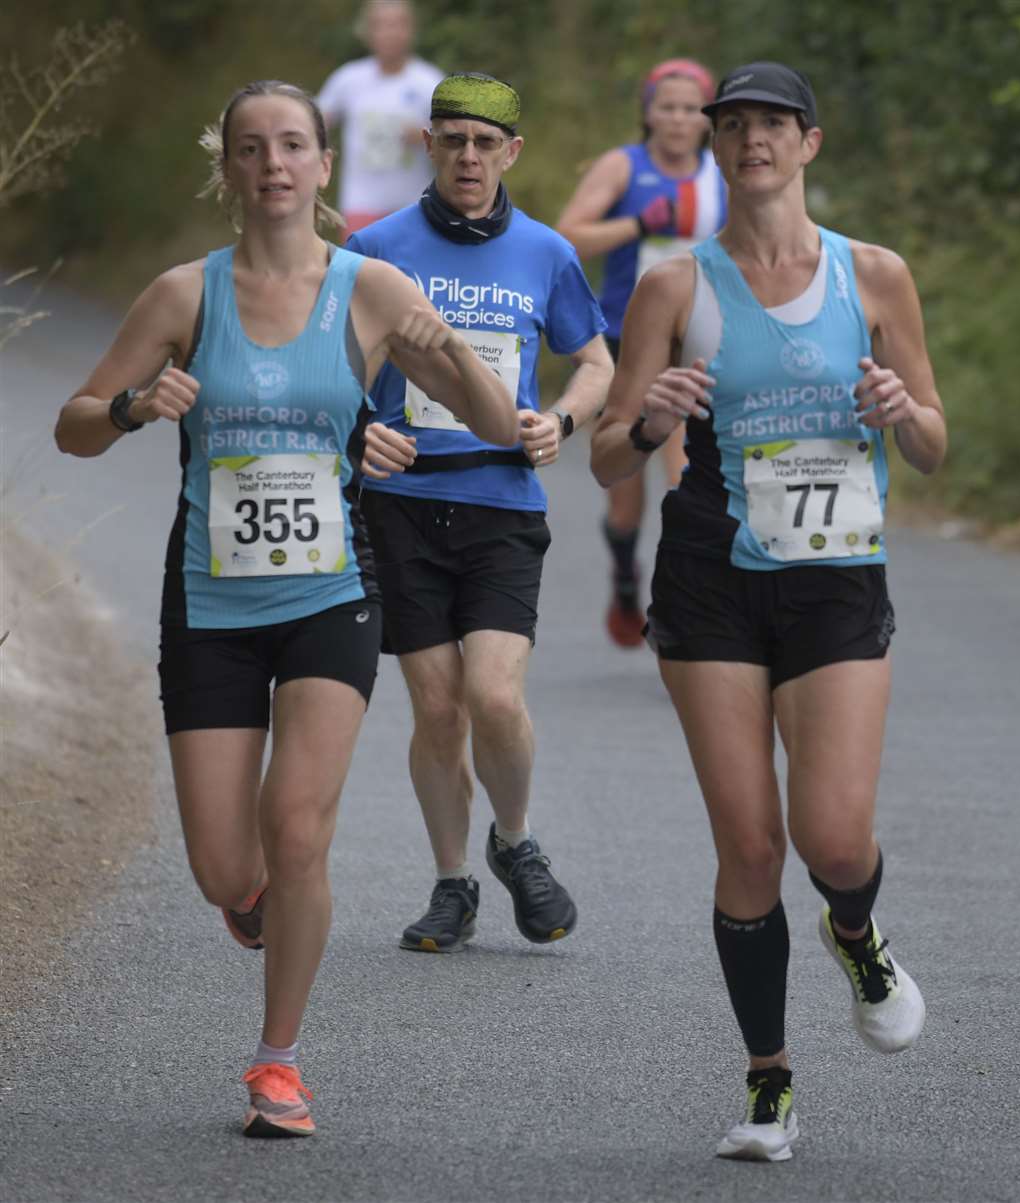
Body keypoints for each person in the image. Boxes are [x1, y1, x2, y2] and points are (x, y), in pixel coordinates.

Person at [53, 79, 516, 1138]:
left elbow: (486, 407)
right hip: (211, 599)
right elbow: (74, 426)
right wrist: (132, 406)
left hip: (332, 595)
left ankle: (277, 1064)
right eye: (252, 149)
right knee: (230, 864)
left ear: (322, 168)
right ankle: (253, 898)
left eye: (293, 146)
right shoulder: (184, 295)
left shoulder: (372, 288)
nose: (273, 165)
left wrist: (481, 387)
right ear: (229, 171)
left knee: (298, 828)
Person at [591, 62, 947, 1162]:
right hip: (711, 578)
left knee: (832, 837)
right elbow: (606, 448)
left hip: (839, 574)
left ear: (810, 143)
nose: (751, 141)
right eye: (731, 124)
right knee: (749, 843)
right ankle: (768, 1082)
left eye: (771, 125)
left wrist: (901, 411)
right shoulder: (672, 288)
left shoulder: (873, 277)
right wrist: (648, 421)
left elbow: (935, 442)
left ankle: (857, 931)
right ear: (713, 142)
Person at [346, 73, 613, 954]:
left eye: (484, 143)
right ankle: (453, 882)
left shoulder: (545, 252)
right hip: (405, 502)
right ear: (428, 145)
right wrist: (356, 433)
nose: (468, 156)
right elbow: (324, 365)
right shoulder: (375, 249)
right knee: (438, 709)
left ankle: (515, 840)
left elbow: (597, 363)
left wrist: (562, 418)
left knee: (494, 696)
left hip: (502, 498)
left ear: (512, 153)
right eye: (452, 139)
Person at [557, 59, 727, 648]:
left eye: (690, 109)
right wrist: (636, 224)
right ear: (648, 111)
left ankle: (686, 608)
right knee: (625, 492)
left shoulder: (723, 173)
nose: (678, 120)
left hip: (702, 346)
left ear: (707, 119)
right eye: (667, 107)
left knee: (685, 479)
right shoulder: (622, 166)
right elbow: (569, 233)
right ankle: (627, 575)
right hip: (629, 342)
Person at [317, 0, 444, 234]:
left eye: (398, 25)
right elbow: (314, 123)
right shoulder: (348, 79)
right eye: (382, 25)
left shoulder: (430, 81)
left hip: (413, 205)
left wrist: (426, 137)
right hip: (361, 204)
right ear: (368, 32)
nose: (390, 33)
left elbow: (452, 137)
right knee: (359, 269)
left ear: (411, 30)